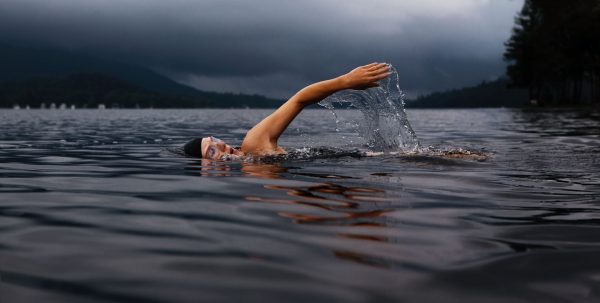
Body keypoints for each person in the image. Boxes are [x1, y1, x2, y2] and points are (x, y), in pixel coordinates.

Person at [184, 63, 391, 159]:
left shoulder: (253, 143)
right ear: (206, 168)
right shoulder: (250, 169)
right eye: (211, 150)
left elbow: (299, 100)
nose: (220, 144)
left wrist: (345, 81)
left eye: (214, 139)